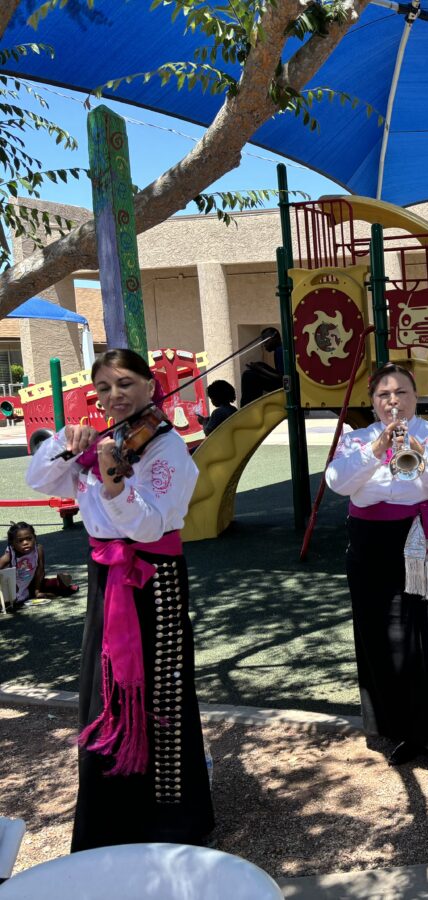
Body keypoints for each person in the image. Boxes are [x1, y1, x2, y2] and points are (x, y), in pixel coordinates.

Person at [25, 348, 214, 852]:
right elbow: (38, 479)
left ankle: (170, 821)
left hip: (155, 577)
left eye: (126, 383)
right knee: (104, 688)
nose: (116, 397)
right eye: (105, 388)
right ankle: (111, 816)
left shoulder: (169, 450)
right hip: (108, 576)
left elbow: (149, 523)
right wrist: (68, 445)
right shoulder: (104, 442)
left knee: (161, 693)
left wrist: (112, 481)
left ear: (151, 387)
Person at [324, 363, 428, 790]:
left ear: (415, 396)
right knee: (387, 640)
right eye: (383, 395)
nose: (393, 402)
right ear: (372, 402)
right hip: (372, 548)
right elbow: (337, 483)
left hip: (423, 540)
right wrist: (375, 451)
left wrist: (420, 457)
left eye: (401, 393)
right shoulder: (355, 441)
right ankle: (408, 730)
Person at [0, 521, 78, 607]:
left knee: (56, 581)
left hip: (31, 583)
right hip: (13, 588)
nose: (25, 543)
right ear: (12, 544)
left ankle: (58, 584)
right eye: (20, 541)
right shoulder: (9, 556)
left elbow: (40, 571)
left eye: (29, 539)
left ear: (35, 538)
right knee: (7, 601)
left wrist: (37, 591)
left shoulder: (38, 549)